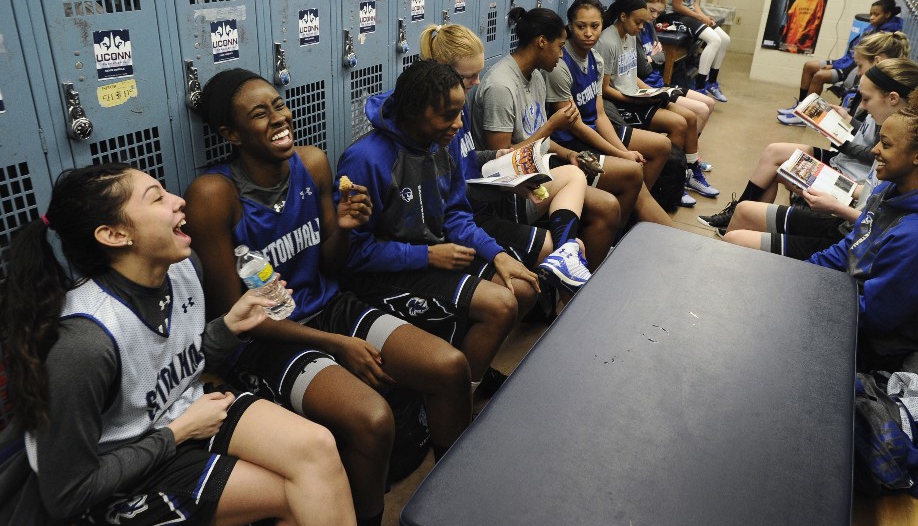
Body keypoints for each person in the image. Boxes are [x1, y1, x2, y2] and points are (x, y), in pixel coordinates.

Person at [185, 68, 473, 524]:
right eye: (260, 114)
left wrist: (344, 226)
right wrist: (339, 347)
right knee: (373, 418)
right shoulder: (213, 196)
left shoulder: (313, 162)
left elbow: (335, 265)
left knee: (449, 368)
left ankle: (450, 504)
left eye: (279, 105)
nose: (279, 117)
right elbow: (233, 317)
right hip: (268, 338)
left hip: (330, 305)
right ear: (231, 134)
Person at [1, 162, 354, 525]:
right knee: (295, 497)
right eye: (157, 199)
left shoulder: (183, 267)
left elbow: (178, 362)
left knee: (319, 450)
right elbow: (68, 494)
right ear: (115, 235)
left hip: (184, 411)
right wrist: (179, 432)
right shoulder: (84, 344)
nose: (178, 201)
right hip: (124, 471)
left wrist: (230, 326)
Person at [336, 58, 541, 393]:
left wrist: (497, 255)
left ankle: (466, 372)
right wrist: (428, 257)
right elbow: (354, 254)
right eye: (448, 115)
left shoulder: (440, 145)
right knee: (501, 305)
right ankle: (458, 394)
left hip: (434, 253)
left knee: (523, 286)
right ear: (415, 111)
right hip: (386, 275)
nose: (459, 124)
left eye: (460, 113)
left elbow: (456, 215)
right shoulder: (367, 160)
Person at [419, 21, 620, 273]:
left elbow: (467, 159)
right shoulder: (438, 122)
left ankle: (566, 255)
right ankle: (566, 259)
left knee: (578, 179)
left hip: (490, 194)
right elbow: (451, 194)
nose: (478, 82)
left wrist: (495, 156)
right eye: (469, 76)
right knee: (595, 213)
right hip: (478, 210)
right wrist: (504, 184)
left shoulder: (461, 104)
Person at [807, 86, 918, 371]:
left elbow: (874, 317)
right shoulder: (893, 189)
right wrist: (800, 275)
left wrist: (808, 302)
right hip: (842, 305)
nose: (874, 150)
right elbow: (849, 248)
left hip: (864, 349)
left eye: (885, 144)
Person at [698, 32, 912, 234]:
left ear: (877, 60)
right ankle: (739, 216)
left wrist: (841, 141)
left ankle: (741, 219)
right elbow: (865, 132)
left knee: (778, 166)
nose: (856, 72)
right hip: (845, 159)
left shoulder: (889, 108)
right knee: (775, 152)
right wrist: (846, 120)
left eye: (859, 65)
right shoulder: (877, 94)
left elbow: (872, 154)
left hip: (851, 171)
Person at [723, 57, 918, 260]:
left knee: (736, 238)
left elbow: (879, 225)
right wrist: (834, 185)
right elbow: (871, 192)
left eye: (867, 99)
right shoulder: (894, 137)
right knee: (744, 210)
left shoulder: (905, 155)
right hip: (847, 225)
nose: (862, 106)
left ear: (893, 98)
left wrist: (834, 206)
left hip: (851, 241)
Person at [545, 0, 687, 222]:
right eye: (581, 27)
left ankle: (632, 209)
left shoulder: (596, 59)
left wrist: (622, 151)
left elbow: (600, 115)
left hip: (597, 128)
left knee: (661, 146)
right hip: (572, 139)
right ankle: (627, 218)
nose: (589, 33)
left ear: (602, 24)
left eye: (595, 26)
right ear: (570, 26)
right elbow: (576, 126)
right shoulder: (560, 66)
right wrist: (620, 154)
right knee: (632, 172)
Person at [597, 0, 720, 199]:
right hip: (623, 102)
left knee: (689, 117)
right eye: (639, 22)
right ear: (623, 16)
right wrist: (633, 99)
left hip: (636, 95)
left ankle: (686, 172)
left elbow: (632, 75)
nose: (642, 27)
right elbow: (605, 89)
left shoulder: (629, 35)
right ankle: (666, 183)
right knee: (679, 124)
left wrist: (651, 91)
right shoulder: (608, 41)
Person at [790, 0, 903, 109]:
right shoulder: (873, 27)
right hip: (847, 61)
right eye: (871, 14)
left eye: (876, 15)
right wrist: (834, 65)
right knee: (809, 66)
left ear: (887, 15)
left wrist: (834, 66)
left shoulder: (884, 35)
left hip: (851, 67)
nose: (872, 18)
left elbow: (859, 61)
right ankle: (800, 105)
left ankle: (805, 111)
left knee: (819, 76)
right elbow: (852, 52)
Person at [638, 0, 717, 135]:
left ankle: (687, 154)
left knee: (709, 103)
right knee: (700, 110)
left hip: (660, 84)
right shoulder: (635, 30)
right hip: (650, 89)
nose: (654, 16)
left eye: (658, 13)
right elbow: (641, 67)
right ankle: (686, 156)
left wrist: (651, 58)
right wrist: (653, 58)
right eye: (651, 10)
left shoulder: (650, 26)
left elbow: (662, 56)